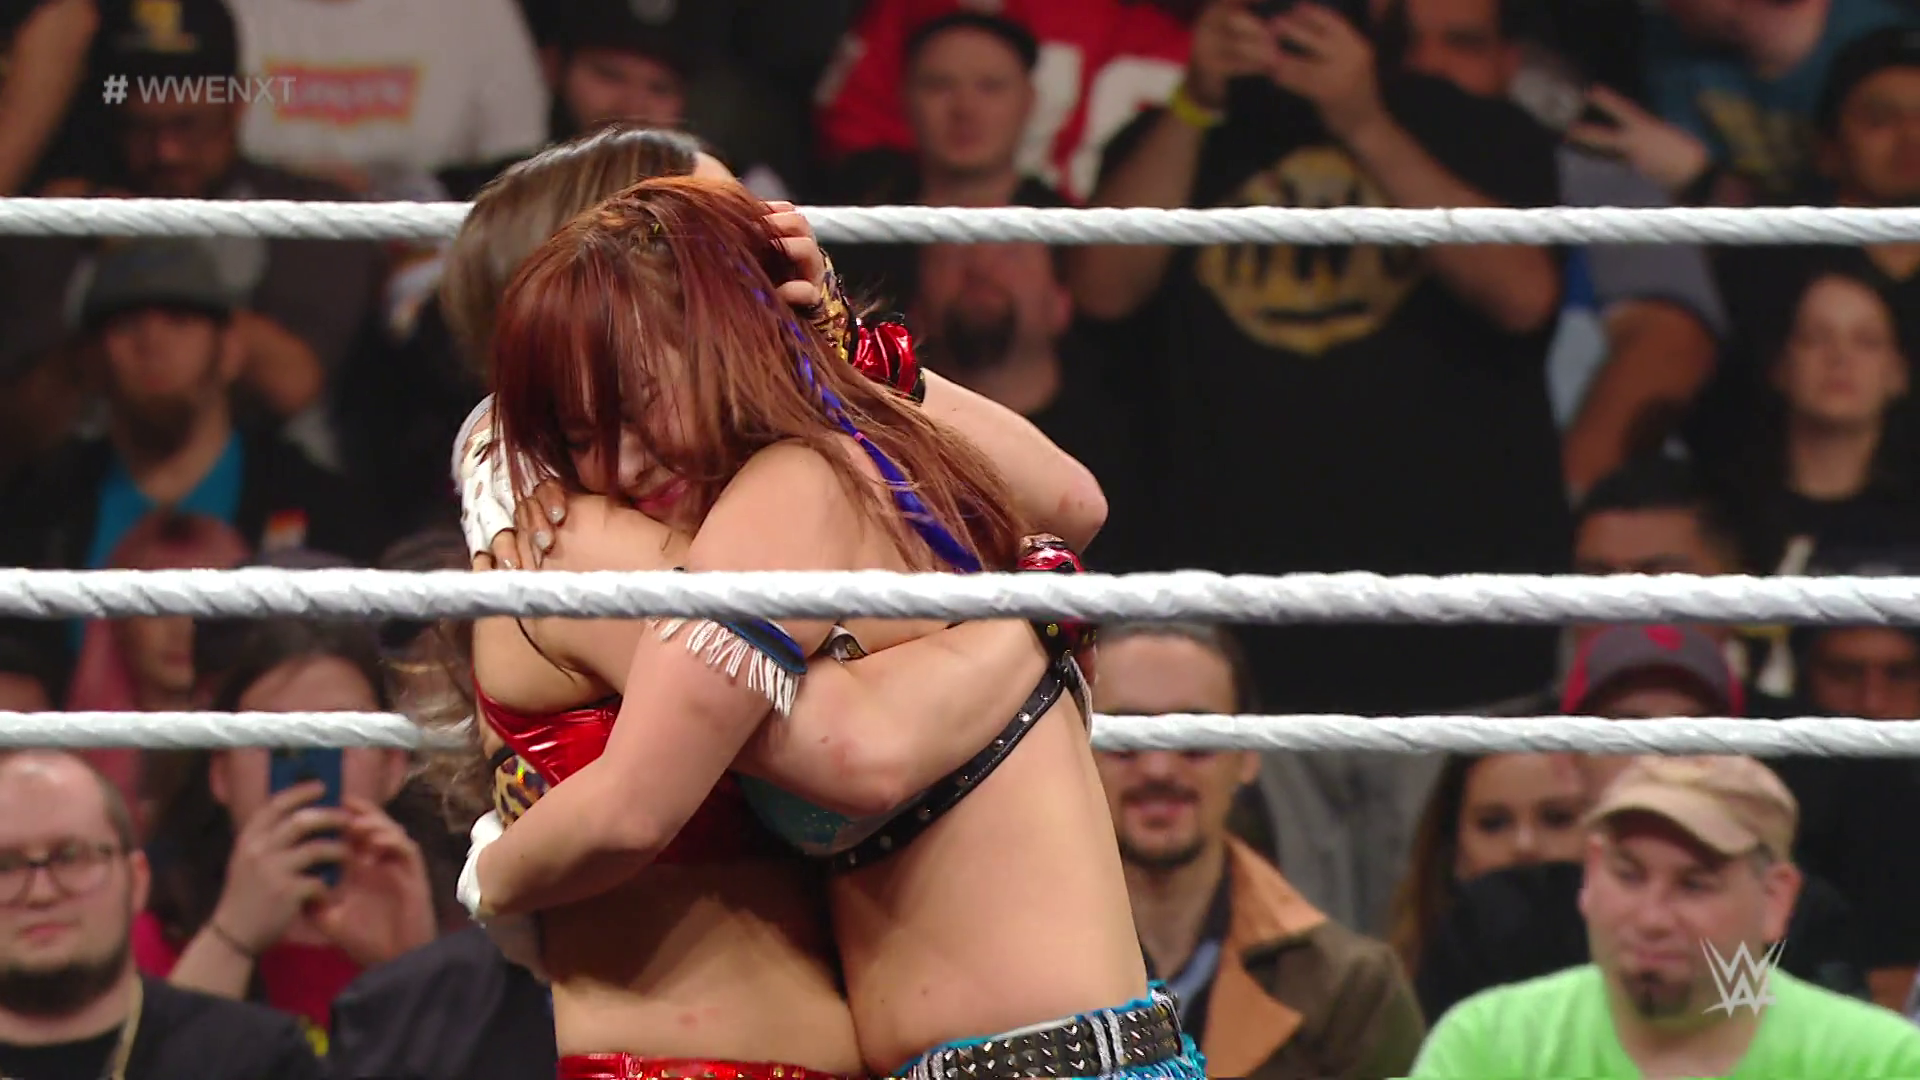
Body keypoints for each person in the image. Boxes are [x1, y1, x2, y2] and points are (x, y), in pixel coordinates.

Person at [469, 177, 1195, 1080]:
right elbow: (1070, 510)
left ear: (726, 342)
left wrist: (489, 876)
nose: (621, 461)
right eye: (581, 436)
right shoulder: (861, 460)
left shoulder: (799, 485)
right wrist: (1036, 619)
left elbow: (841, 755)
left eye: (644, 402)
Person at [1412, 755, 1920, 1078]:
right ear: (1591, 874)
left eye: (1694, 885)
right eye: (1628, 875)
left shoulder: (1875, 1063)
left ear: (1775, 899)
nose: (1652, 918)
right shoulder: (1490, 1045)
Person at [1095, 622, 1423, 1079]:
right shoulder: (1008, 968)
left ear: (1248, 754)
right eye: (1125, 738)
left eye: (1194, 737)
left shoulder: (1351, 989)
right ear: (1074, 747)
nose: (1158, 768)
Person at [0, 749, 322, 1080]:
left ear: (137, 882)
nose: (41, 893)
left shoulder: (262, 1059)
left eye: (71, 857)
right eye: (5, 866)